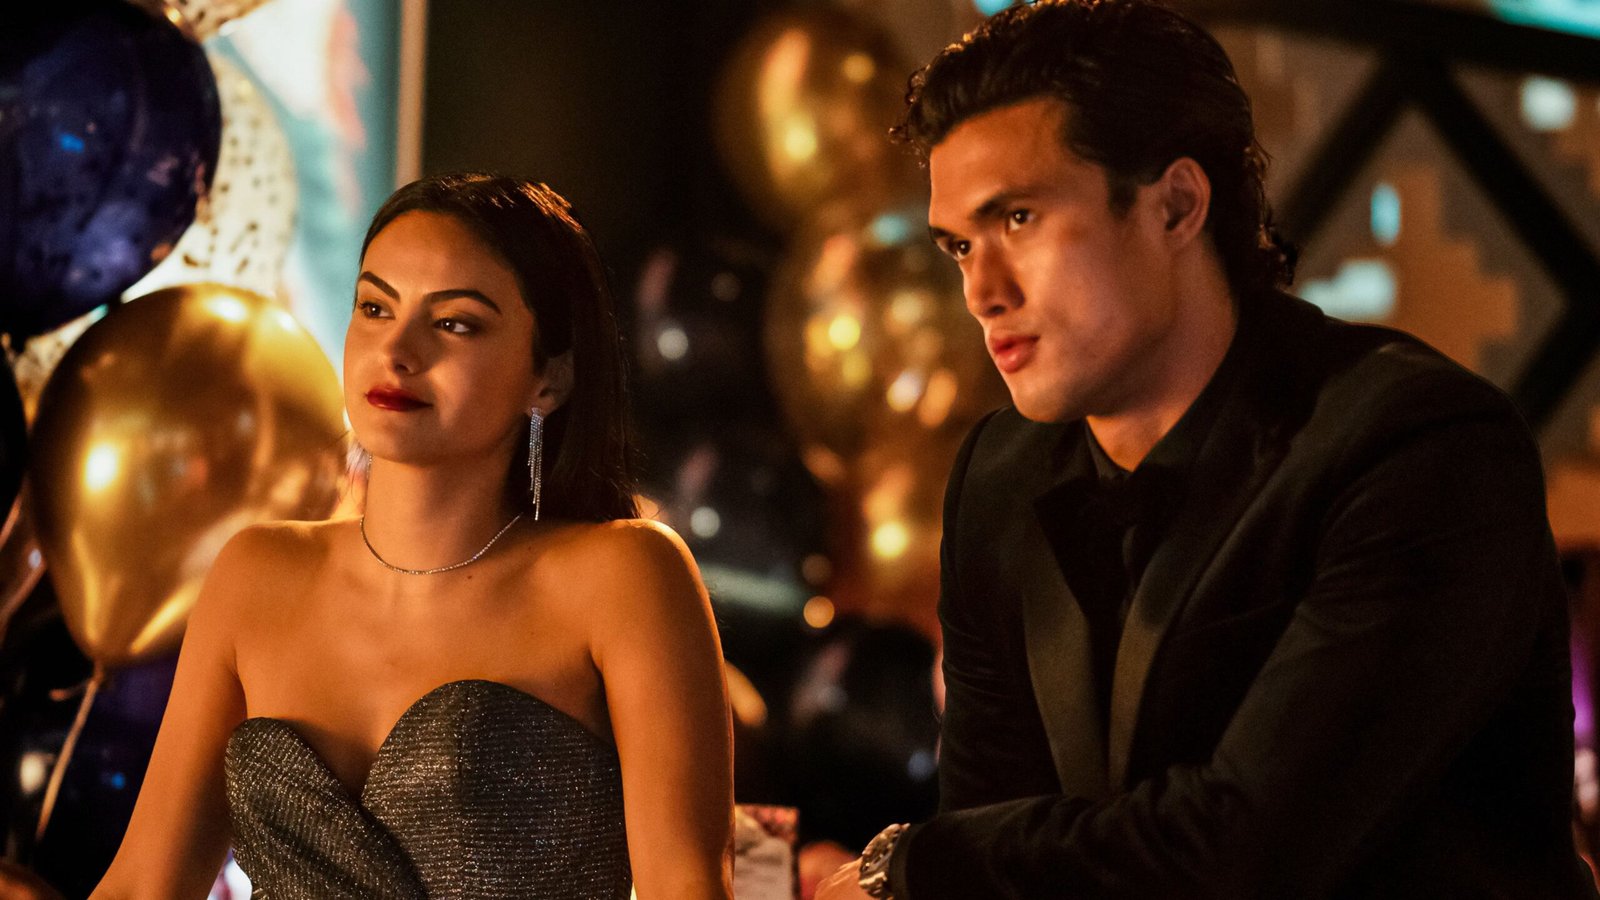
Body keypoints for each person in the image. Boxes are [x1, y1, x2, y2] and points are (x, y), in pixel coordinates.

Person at [817, 1, 1597, 897]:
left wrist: (908, 868)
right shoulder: (999, 474)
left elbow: (1247, 849)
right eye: (960, 246)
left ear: (1177, 205)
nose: (981, 291)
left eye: (1020, 218)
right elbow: (994, 838)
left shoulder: (1420, 447)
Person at [74, 173, 734, 898]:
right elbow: (143, 885)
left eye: (455, 323)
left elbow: (687, 887)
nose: (397, 350)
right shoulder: (254, 573)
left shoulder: (624, 575)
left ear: (549, 379)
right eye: (375, 307)